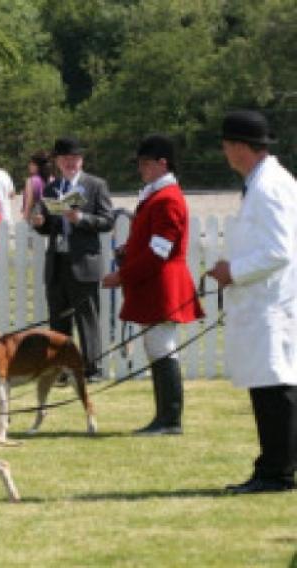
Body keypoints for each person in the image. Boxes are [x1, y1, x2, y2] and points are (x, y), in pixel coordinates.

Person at [207, 110, 297, 494]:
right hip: (264, 301)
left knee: (274, 387)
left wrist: (234, 271)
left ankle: (276, 472)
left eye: (228, 146)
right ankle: (274, 466)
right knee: (268, 384)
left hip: (271, 302)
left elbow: (279, 250)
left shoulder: (270, 187)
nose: (226, 153)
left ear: (241, 147)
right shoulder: (264, 182)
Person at [102, 134, 204, 435]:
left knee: (162, 346)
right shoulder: (155, 194)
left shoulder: (168, 198)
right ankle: (165, 416)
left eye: (146, 163)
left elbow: (160, 251)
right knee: (156, 345)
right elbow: (151, 243)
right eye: (140, 163)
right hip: (153, 281)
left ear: (163, 163)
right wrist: (128, 250)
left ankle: (170, 418)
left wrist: (123, 275)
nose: (141, 169)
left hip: (162, 283)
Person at [31, 136, 114, 381]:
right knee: (59, 320)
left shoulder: (95, 185)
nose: (70, 163)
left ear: (81, 160)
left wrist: (82, 219)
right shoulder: (51, 188)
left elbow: (107, 221)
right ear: (57, 162)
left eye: (75, 158)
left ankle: (93, 369)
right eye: (65, 159)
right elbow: (49, 228)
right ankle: (62, 370)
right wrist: (40, 224)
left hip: (83, 262)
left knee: (87, 318)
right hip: (58, 261)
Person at [23, 150, 54, 220]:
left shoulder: (31, 181)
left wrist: (24, 220)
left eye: (31, 164)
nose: (29, 166)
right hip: (49, 219)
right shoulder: (52, 179)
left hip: (35, 219)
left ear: (38, 166)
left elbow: (29, 204)